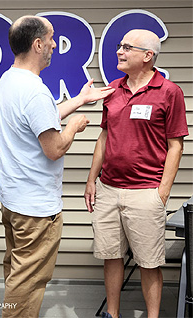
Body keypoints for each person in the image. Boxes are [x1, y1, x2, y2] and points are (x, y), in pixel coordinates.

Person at [0, 16, 115, 317]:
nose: (53, 45)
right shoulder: (34, 90)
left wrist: (79, 100)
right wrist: (74, 125)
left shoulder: (10, 79)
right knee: (28, 282)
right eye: (50, 39)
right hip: (36, 211)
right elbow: (55, 148)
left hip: (14, 201)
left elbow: (39, 119)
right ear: (37, 44)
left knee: (15, 273)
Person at [84, 29, 188, 318]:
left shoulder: (170, 92)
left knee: (149, 262)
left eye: (127, 47)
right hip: (109, 189)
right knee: (111, 256)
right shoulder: (113, 89)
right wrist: (92, 180)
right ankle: (112, 314)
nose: (119, 51)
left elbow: (175, 146)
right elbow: (104, 136)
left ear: (147, 56)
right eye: (120, 46)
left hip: (146, 192)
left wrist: (162, 192)